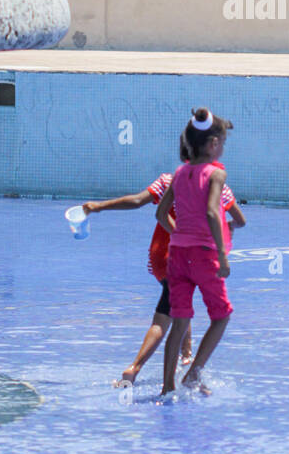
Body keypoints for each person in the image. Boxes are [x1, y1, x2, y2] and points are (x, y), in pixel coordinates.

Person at [82, 164, 244, 385]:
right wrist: (226, 229)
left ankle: (185, 356)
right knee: (164, 318)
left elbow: (138, 201)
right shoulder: (219, 186)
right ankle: (135, 367)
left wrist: (100, 206)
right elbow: (237, 219)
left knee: (180, 306)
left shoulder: (171, 180)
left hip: (161, 258)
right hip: (189, 257)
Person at [157, 107, 236, 395]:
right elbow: (214, 213)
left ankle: (167, 386)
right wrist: (223, 257)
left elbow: (161, 214)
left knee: (180, 320)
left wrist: (178, 232)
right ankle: (192, 374)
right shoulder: (215, 174)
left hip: (178, 255)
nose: (223, 149)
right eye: (223, 143)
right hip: (205, 254)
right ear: (213, 143)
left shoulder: (179, 173)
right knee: (221, 315)